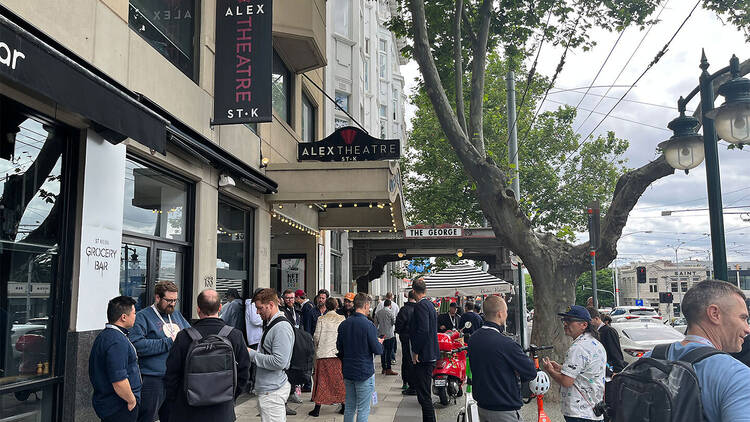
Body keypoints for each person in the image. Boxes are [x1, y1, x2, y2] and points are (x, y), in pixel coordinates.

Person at [649, 280, 750, 421]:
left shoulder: (649, 360)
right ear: (714, 314)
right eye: (743, 318)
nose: (747, 329)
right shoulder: (736, 375)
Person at [164, 289, 250, 422]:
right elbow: (244, 372)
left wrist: (175, 400)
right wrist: (231, 396)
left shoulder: (184, 336)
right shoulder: (235, 335)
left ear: (198, 309)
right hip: (222, 410)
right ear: (220, 308)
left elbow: (171, 375)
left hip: (187, 410)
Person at [129, 281, 190, 422]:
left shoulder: (176, 315)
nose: (173, 304)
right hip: (153, 379)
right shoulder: (142, 317)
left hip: (174, 378)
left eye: (175, 300)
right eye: (169, 300)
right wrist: (169, 342)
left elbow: (188, 334)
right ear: (157, 298)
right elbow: (137, 345)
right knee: (147, 416)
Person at [468, 296, 536, 421]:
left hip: (483, 406)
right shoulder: (506, 343)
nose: (506, 315)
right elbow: (530, 371)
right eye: (506, 312)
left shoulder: (473, 339)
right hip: (504, 408)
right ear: (500, 314)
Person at [543, 305, 606, 422]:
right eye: (564, 320)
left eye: (570, 321)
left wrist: (550, 370)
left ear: (584, 325)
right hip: (593, 410)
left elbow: (567, 381)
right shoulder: (596, 344)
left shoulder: (578, 348)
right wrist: (562, 368)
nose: (565, 324)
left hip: (579, 412)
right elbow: (585, 372)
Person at [89, 296, 141, 422]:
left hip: (109, 404)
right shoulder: (117, 341)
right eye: (134, 313)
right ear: (123, 317)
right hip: (119, 406)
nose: (135, 316)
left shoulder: (105, 336)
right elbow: (119, 380)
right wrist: (131, 400)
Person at [247, 288, 295, 421]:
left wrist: (252, 354)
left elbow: (280, 362)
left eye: (260, 308)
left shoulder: (281, 327)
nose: (257, 312)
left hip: (273, 392)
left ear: (271, 305)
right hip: (271, 389)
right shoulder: (272, 324)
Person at [337, 293, 384, 422]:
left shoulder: (344, 324)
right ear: (366, 305)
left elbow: (339, 348)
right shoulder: (369, 325)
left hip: (348, 370)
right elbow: (377, 350)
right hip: (364, 371)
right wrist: (379, 343)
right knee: (363, 409)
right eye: (369, 306)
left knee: (350, 407)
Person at [309, 297, 347, 417]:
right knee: (338, 380)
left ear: (326, 306)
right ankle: (344, 405)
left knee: (321, 381)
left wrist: (317, 349)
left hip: (323, 354)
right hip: (336, 354)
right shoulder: (342, 319)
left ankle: (317, 408)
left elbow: (316, 337)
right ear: (336, 306)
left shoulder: (321, 319)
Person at [409, 279, 439, 422]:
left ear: (414, 291)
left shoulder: (420, 306)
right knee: (424, 393)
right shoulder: (430, 305)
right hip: (431, 353)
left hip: (424, 355)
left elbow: (423, 330)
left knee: (424, 395)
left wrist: (415, 351)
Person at [587, 307, 626, 375]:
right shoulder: (594, 332)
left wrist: (617, 371)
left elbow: (615, 353)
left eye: (589, 321)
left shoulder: (608, 331)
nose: (588, 325)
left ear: (596, 318)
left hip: (610, 371)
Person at [395, 290, 417, 394]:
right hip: (416, 338)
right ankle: (414, 382)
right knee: (415, 360)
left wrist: (401, 333)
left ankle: (406, 382)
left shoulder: (404, 309)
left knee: (407, 360)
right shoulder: (419, 308)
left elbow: (399, 325)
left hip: (406, 337)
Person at [375, 299, 398, 376]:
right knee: (389, 351)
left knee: (382, 352)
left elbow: (375, 324)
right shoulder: (391, 312)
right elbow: (394, 322)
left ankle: (383, 368)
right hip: (389, 335)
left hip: (381, 335)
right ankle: (389, 368)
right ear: (390, 305)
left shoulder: (378, 313)